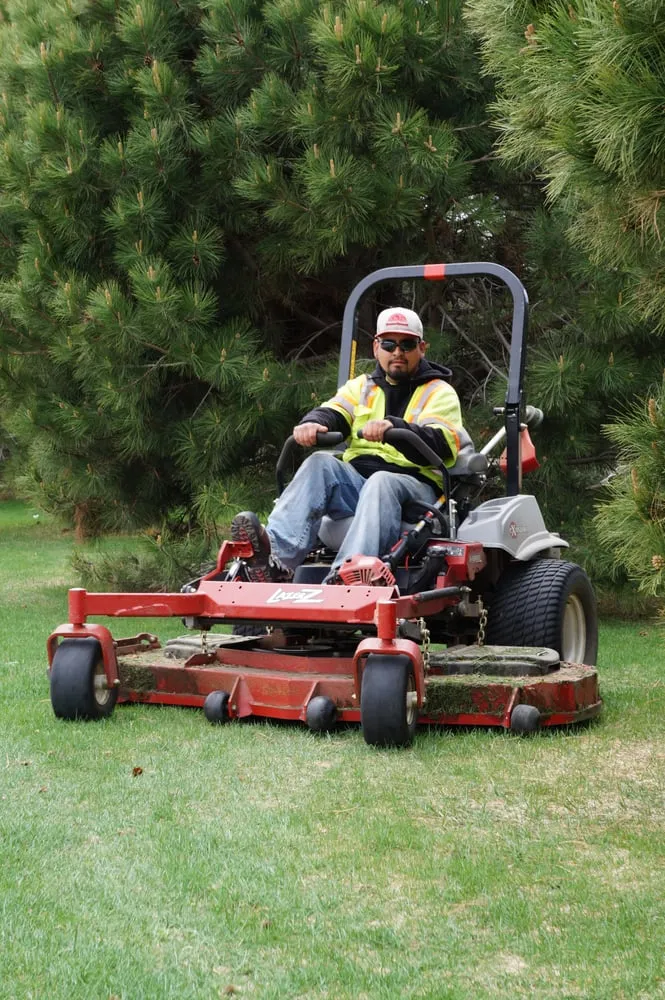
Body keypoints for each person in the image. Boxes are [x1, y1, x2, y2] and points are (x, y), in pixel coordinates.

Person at [231, 307, 463, 583]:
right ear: (376, 347)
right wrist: (313, 423)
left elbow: (443, 445)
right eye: (389, 344)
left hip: (414, 488)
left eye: (407, 344)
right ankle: (274, 560)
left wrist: (395, 429)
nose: (397, 352)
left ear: (421, 348)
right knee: (320, 462)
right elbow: (334, 412)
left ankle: (347, 574)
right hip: (358, 484)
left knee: (382, 481)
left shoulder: (439, 392)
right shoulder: (361, 387)